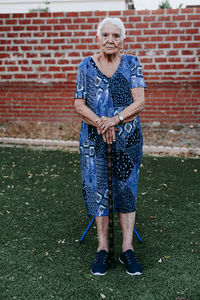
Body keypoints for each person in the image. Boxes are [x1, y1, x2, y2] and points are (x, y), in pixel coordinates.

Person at [74, 17, 146, 276]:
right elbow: (79, 104)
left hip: (128, 138)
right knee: (98, 189)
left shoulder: (132, 63)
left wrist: (114, 120)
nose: (110, 40)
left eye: (116, 36)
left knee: (126, 189)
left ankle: (127, 249)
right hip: (93, 139)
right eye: (105, 35)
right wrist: (102, 124)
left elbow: (139, 102)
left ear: (122, 40)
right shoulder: (86, 65)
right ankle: (102, 249)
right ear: (97, 38)